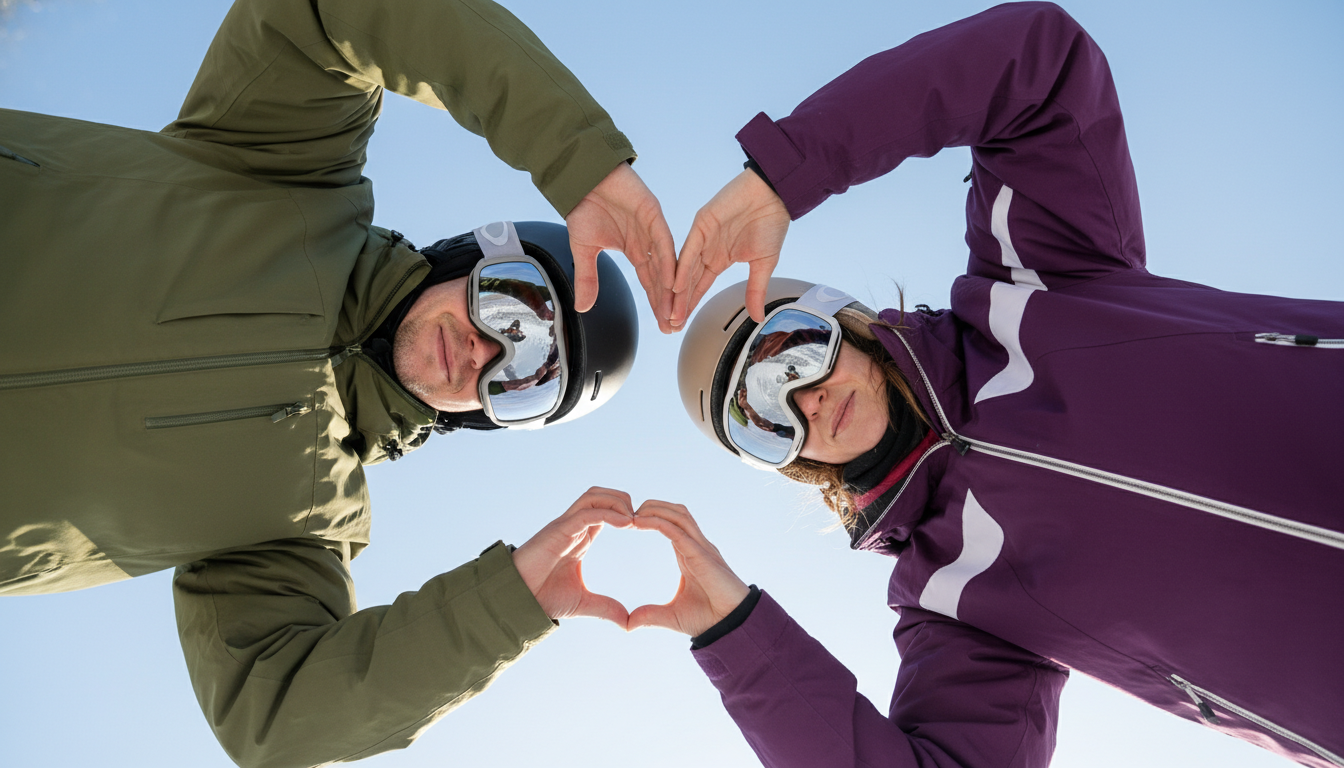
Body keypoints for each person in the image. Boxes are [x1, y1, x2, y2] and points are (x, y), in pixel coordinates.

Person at [636, 3, 1344, 767]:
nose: (803, 399)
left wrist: (788, 172)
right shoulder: (953, 600)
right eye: (763, 416)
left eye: (791, 352)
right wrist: (736, 637)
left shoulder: (1037, 286)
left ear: (841, 320)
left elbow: (1038, 63)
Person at [0, 0, 671, 765]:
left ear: (495, 419)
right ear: (474, 256)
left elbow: (278, 717)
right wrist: (574, 151)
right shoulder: (288, 167)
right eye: (513, 307)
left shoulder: (303, 526)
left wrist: (506, 608)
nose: (488, 352)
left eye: (527, 377)